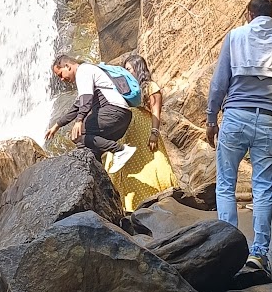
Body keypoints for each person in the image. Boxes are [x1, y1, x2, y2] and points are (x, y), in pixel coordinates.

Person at [206, 0, 272, 274]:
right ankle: (258, 254)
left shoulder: (236, 36)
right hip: (268, 122)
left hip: (235, 117)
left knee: (226, 184)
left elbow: (218, 84)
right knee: (263, 189)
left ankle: (226, 248)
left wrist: (211, 119)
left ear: (249, 13)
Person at [108, 51, 177, 210]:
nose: (127, 72)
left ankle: (160, 202)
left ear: (138, 69)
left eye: (129, 69)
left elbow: (155, 112)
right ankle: (130, 207)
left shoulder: (151, 87)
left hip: (145, 129)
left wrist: (154, 133)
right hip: (127, 131)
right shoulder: (126, 90)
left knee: (152, 164)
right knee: (129, 166)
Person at [46, 54, 134, 158]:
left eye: (60, 74)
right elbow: (76, 107)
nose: (61, 79)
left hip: (114, 111)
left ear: (67, 66)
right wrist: (56, 126)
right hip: (122, 117)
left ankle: (121, 151)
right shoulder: (87, 73)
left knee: (78, 134)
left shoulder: (83, 71)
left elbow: (86, 100)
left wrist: (79, 121)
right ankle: (95, 171)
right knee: (86, 145)